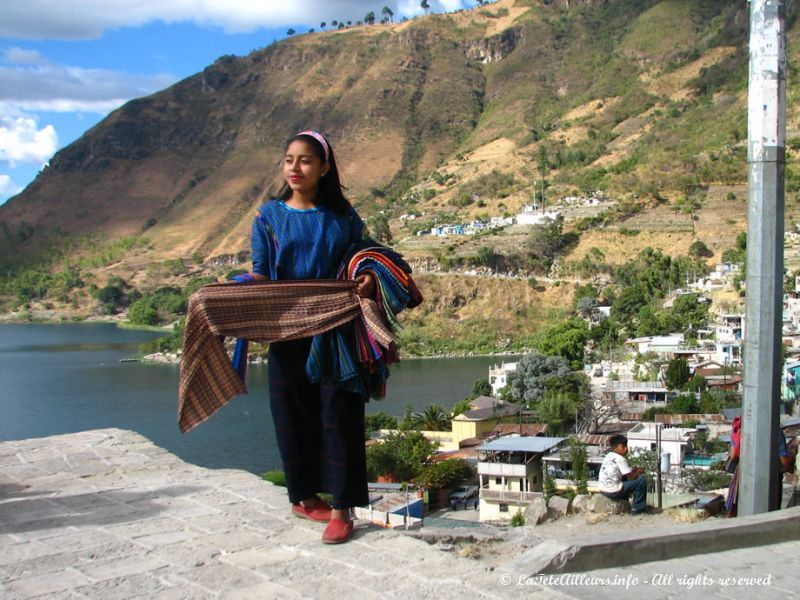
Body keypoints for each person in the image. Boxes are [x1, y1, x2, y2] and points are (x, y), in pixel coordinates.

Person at [233, 130, 377, 544]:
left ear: (324, 167)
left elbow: (363, 258)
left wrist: (367, 277)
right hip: (287, 327)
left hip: (335, 327)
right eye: (289, 159)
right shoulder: (269, 217)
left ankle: (342, 508)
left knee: (340, 413)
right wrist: (239, 286)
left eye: (306, 160)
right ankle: (303, 496)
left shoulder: (342, 217)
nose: (295, 168)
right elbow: (262, 270)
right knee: (292, 413)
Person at [597, 434, 647, 515]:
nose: (626, 449)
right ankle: (637, 508)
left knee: (623, 478)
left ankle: (624, 502)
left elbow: (624, 472)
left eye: (626, 446)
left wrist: (634, 470)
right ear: (615, 447)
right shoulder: (621, 459)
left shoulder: (609, 456)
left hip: (602, 489)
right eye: (623, 446)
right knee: (641, 481)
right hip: (612, 491)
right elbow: (631, 478)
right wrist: (638, 471)